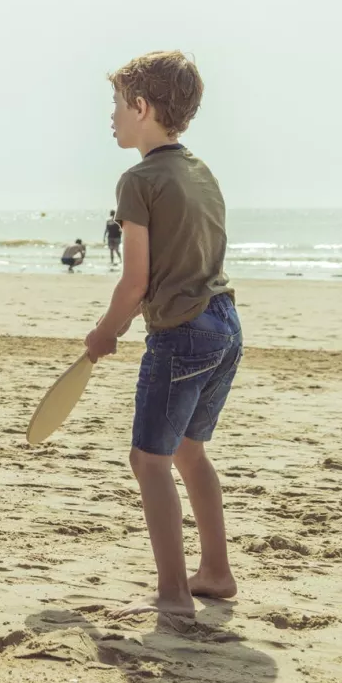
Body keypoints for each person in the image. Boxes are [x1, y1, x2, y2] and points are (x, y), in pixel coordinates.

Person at [84, 50, 238, 619]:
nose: (113, 116)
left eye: (119, 104)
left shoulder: (139, 180)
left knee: (149, 461)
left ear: (142, 107)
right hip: (225, 324)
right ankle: (216, 573)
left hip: (181, 335)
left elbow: (135, 281)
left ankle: (174, 594)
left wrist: (105, 332)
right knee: (190, 452)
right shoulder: (202, 172)